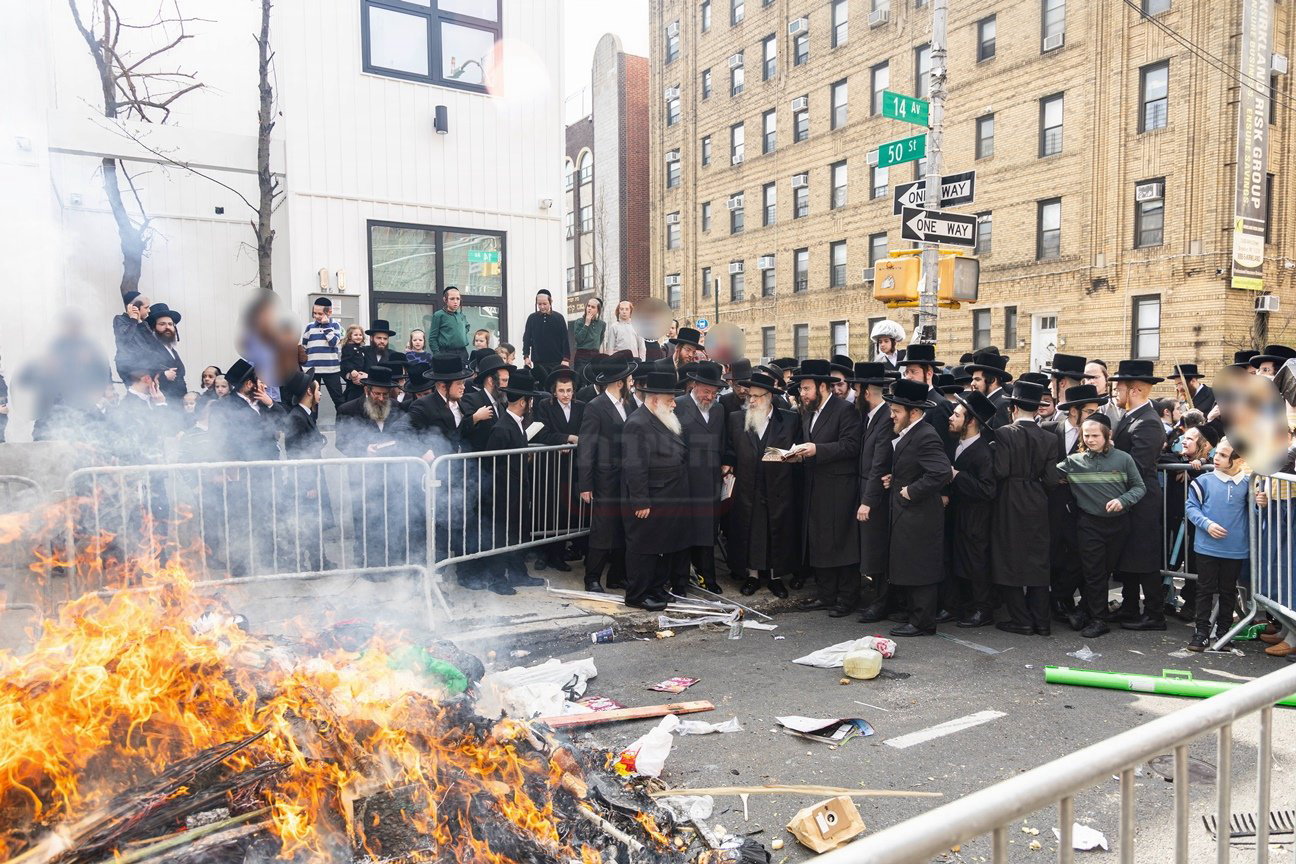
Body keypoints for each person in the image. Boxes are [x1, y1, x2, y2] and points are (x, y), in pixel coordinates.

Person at [860, 377, 951, 636]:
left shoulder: (925, 435)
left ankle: (923, 622)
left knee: (920, 566)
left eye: (896, 411)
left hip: (920, 515)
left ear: (915, 413)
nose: (892, 416)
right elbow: (915, 467)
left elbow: (941, 473)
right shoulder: (910, 433)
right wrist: (896, 479)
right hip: (908, 514)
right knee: (910, 562)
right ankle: (914, 615)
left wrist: (911, 490)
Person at [1055, 414, 1146, 638]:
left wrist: (1122, 501)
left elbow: (1139, 487)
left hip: (1119, 524)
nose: (1091, 440)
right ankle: (1099, 619)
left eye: (1095, 435)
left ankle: (1084, 611)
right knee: (1094, 572)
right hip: (1089, 524)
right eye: (1086, 435)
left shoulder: (1123, 459)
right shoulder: (1073, 461)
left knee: (1104, 572)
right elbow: (1051, 475)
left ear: (1108, 435)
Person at [789, 359, 861, 616]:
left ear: (822, 386)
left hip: (839, 489)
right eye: (801, 389)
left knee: (841, 542)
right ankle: (826, 594)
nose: (803, 394)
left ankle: (847, 597)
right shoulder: (809, 412)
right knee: (819, 542)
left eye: (807, 388)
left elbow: (852, 446)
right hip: (815, 487)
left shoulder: (845, 410)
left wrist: (818, 450)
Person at [991, 381, 1060, 636]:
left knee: (1009, 558)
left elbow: (1000, 470)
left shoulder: (1004, 433)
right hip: (1037, 499)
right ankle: (1042, 621)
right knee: (1037, 560)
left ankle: (1021, 619)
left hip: (1010, 498)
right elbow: (1052, 479)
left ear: (1014, 406)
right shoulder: (1050, 438)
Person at [620, 369, 692, 611]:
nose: (674, 404)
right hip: (650, 498)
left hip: (669, 497)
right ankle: (637, 595)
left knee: (663, 547)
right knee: (644, 549)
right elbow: (634, 466)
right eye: (670, 400)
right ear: (654, 400)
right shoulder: (637, 423)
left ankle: (656, 588)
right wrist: (640, 501)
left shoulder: (663, 417)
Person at [723, 369, 798, 598]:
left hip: (778, 487)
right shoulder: (737, 419)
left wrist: (775, 457)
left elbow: (795, 451)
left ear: (769, 397)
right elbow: (729, 448)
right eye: (749, 396)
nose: (752, 400)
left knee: (776, 532)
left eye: (756, 396)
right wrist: (727, 464)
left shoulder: (789, 419)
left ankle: (776, 578)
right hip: (747, 487)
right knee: (751, 532)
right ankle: (753, 577)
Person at [1042, 384, 1108, 625]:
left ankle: (1065, 598)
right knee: (1054, 554)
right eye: (1089, 412)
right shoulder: (1049, 429)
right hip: (1053, 505)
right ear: (1073, 411)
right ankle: (1053, 602)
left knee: (1079, 557)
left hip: (1084, 506)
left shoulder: (1097, 435)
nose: (1094, 416)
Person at [1109, 359, 1168, 629]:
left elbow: (1138, 465)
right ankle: (1130, 606)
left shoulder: (1148, 422)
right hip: (1129, 496)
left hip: (1141, 498)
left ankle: (1155, 613)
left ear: (1134, 390)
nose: (1115, 393)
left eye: (1119, 388)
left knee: (1144, 557)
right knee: (1128, 555)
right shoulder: (1130, 417)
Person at [335, 365, 411, 569]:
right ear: (367, 391)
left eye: (385, 394)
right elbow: (341, 442)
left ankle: (393, 562)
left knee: (393, 519)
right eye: (377, 394)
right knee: (366, 521)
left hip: (392, 477)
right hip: (363, 479)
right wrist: (364, 448)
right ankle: (367, 564)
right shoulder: (347, 410)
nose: (380, 398)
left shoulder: (397, 408)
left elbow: (405, 436)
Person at [482, 369, 549, 594]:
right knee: (501, 538)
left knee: (516, 535)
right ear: (523, 401)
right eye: (530, 400)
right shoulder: (502, 428)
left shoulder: (516, 423)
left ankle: (518, 573)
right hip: (503, 494)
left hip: (517, 491)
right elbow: (492, 464)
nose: (531, 404)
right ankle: (498, 580)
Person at [1183, 436, 1249, 651]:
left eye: (1223, 454)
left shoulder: (1249, 484)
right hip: (1206, 547)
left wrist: (1261, 503)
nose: (1215, 457)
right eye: (1216, 452)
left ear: (1238, 460)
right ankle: (1201, 632)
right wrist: (1207, 524)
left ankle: (1223, 634)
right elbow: (1191, 507)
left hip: (1236, 548)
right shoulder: (1203, 481)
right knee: (1204, 590)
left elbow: (1255, 514)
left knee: (1228, 591)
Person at [576, 353, 636, 592]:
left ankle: (617, 576)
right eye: (629, 379)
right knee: (603, 529)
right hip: (604, 478)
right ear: (620, 382)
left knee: (623, 527)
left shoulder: (628, 404)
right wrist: (585, 484)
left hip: (625, 478)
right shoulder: (596, 406)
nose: (632, 383)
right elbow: (586, 446)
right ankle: (592, 576)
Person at [674, 361, 727, 594]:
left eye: (714, 393)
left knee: (707, 532)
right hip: (685, 482)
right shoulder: (678, 405)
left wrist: (726, 464)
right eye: (706, 391)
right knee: (684, 533)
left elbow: (722, 442)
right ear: (695, 385)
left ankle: (708, 579)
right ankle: (680, 580)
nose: (710, 397)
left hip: (710, 482)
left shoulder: (719, 409)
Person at [947, 391, 998, 628]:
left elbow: (988, 490)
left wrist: (958, 476)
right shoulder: (957, 445)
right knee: (960, 562)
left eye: (957, 415)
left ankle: (982, 609)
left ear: (971, 421)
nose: (951, 418)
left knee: (977, 564)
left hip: (976, 519)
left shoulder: (983, 452)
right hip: (959, 515)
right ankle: (962, 606)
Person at [853, 363, 899, 622]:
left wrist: (868, 501)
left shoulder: (884, 418)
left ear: (866, 392)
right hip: (867, 487)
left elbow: (879, 463)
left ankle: (882, 602)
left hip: (877, 496)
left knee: (877, 550)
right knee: (871, 549)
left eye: (857, 389)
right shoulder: (872, 416)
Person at [533, 367, 586, 572]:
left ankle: (558, 554)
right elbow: (542, 433)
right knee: (546, 510)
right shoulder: (544, 406)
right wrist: (567, 439)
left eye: (569, 390)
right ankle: (543, 554)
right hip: (550, 466)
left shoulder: (581, 407)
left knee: (565, 510)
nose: (566, 395)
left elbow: (585, 431)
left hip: (572, 467)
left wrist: (574, 442)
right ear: (554, 392)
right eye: (562, 391)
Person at [280, 369, 328, 572]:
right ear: (309, 392)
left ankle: (319, 560)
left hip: (311, 478)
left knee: (314, 522)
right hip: (304, 482)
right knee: (306, 523)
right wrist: (309, 485)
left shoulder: (305, 414)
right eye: (317, 389)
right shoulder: (296, 417)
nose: (321, 393)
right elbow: (297, 452)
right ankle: (306, 563)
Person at [407, 353, 476, 457]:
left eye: (463, 383)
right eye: (458, 383)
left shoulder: (464, 405)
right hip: (438, 468)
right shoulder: (423, 405)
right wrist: (423, 450)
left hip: (462, 467)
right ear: (443, 386)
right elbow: (400, 429)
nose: (463, 387)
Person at [896, 344, 954, 452]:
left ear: (928, 374)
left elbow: (942, 446)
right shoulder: (909, 401)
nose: (908, 376)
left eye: (913, 372)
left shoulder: (940, 404)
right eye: (906, 372)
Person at [460, 353, 512, 452]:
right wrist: (475, 418)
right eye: (504, 380)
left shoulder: (501, 405)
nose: (507, 385)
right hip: (477, 463)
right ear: (491, 381)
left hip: (496, 462)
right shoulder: (471, 399)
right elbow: (461, 430)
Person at [301, 298, 345, 407]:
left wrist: (326, 326)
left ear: (329, 312)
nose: (316, 316)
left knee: (339, 399)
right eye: (314, 313)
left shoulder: (335, 325)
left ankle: (343, 423)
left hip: (331, 369)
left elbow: (334, 342)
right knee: (311, 401)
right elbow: (304, 347)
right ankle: (311, 424)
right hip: (312, 369)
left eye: (320, 313)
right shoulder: (309, 326)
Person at [523, 289, 572, 380]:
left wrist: (566, 359)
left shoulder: (559, 318)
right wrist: (526, 356)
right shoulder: (532, 318)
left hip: (556, 362)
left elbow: (565, 339)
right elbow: (526, 338)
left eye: (544, 304)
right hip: (538, 362)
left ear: (551, 302)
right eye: (539, 304)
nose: (542, 307)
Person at [342, 320, 396, 403]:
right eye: (379, 338)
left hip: (383, 399)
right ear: (371, 338)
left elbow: (396, 379)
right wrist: (351, 376)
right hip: (358, 396)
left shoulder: (393, 356)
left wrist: (368, 377)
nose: (382, 341)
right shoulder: (360, 351)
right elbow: (344, 366)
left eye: (385, 339)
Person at [145, 303, 187, 407]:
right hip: (163, 404)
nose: (167, 327)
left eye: (170, 324)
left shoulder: (172, 350)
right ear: (154, 327)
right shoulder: (149, 349)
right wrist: (163, 376)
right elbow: (143, 372)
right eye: (162, 324)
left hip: (179, 403)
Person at [965, 347, 1013, 429]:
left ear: (992, 380)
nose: (972, 383)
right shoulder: (986, 401)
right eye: (972, 379)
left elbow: (1000, 438)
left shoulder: (1003, 404)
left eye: (977, 379)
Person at [112, 291, 155, 380]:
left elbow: (153, 342)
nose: (149, 310)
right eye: (146, 307)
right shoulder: (119, 319)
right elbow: (124, 339)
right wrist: (133, 320)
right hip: (129, 367)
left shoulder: (143, 323)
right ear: (135, 308)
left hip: (146, 367)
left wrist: (139, 321)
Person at [428, 286, 471, 361]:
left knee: (464, 372)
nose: (455, 301)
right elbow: (432, 338)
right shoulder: (439, 315)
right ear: (445, 299)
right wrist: (437, 355)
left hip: (462, 353)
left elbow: (467, 327)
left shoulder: (461, 315)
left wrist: (458, 335)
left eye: (458, 299)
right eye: (452, 298)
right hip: (446, 353)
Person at [571, 297, 606, 381]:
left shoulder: (602, 324)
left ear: (598, 310)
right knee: (580, 381)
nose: (589, 308)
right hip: (581, 356)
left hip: (595, 356)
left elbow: (600, 339)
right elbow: (578, 339)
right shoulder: (579, 322)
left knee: (593, 380)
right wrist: (586, 324)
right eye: (588, 306)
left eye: (593, 307)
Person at [1084, 359, 1124, 425]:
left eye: (1096, 377)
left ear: (1106, 378)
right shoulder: (1079, 405)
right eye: (1088, 378)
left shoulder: (1117, 405)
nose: (1091, 381)